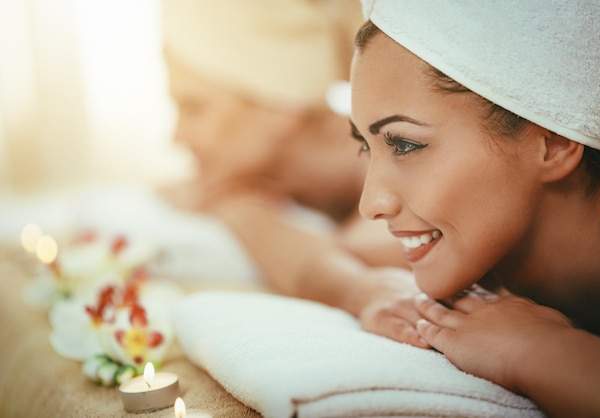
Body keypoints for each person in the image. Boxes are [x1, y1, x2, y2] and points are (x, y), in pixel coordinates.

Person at [347, 1, 600, 416]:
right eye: (364, 147)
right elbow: (339, 249)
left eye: (405, 144)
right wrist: (368, 292)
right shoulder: (481, 243)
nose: (371, 205)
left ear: (554, 141)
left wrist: (543, 352)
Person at [159, 0, 421, 325]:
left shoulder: (406, 158)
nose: (177, 137)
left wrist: (239, 207)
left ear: (278, 104)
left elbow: (355, 261)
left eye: (194, 107)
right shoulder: (293, 182)